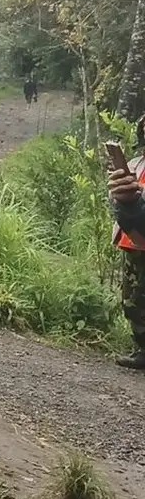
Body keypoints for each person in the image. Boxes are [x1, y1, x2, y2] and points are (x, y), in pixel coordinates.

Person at [107, 125, 145, 371]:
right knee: (133, 300)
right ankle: (143, 348)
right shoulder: (136, 164)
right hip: (133, 241)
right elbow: (116, 202)